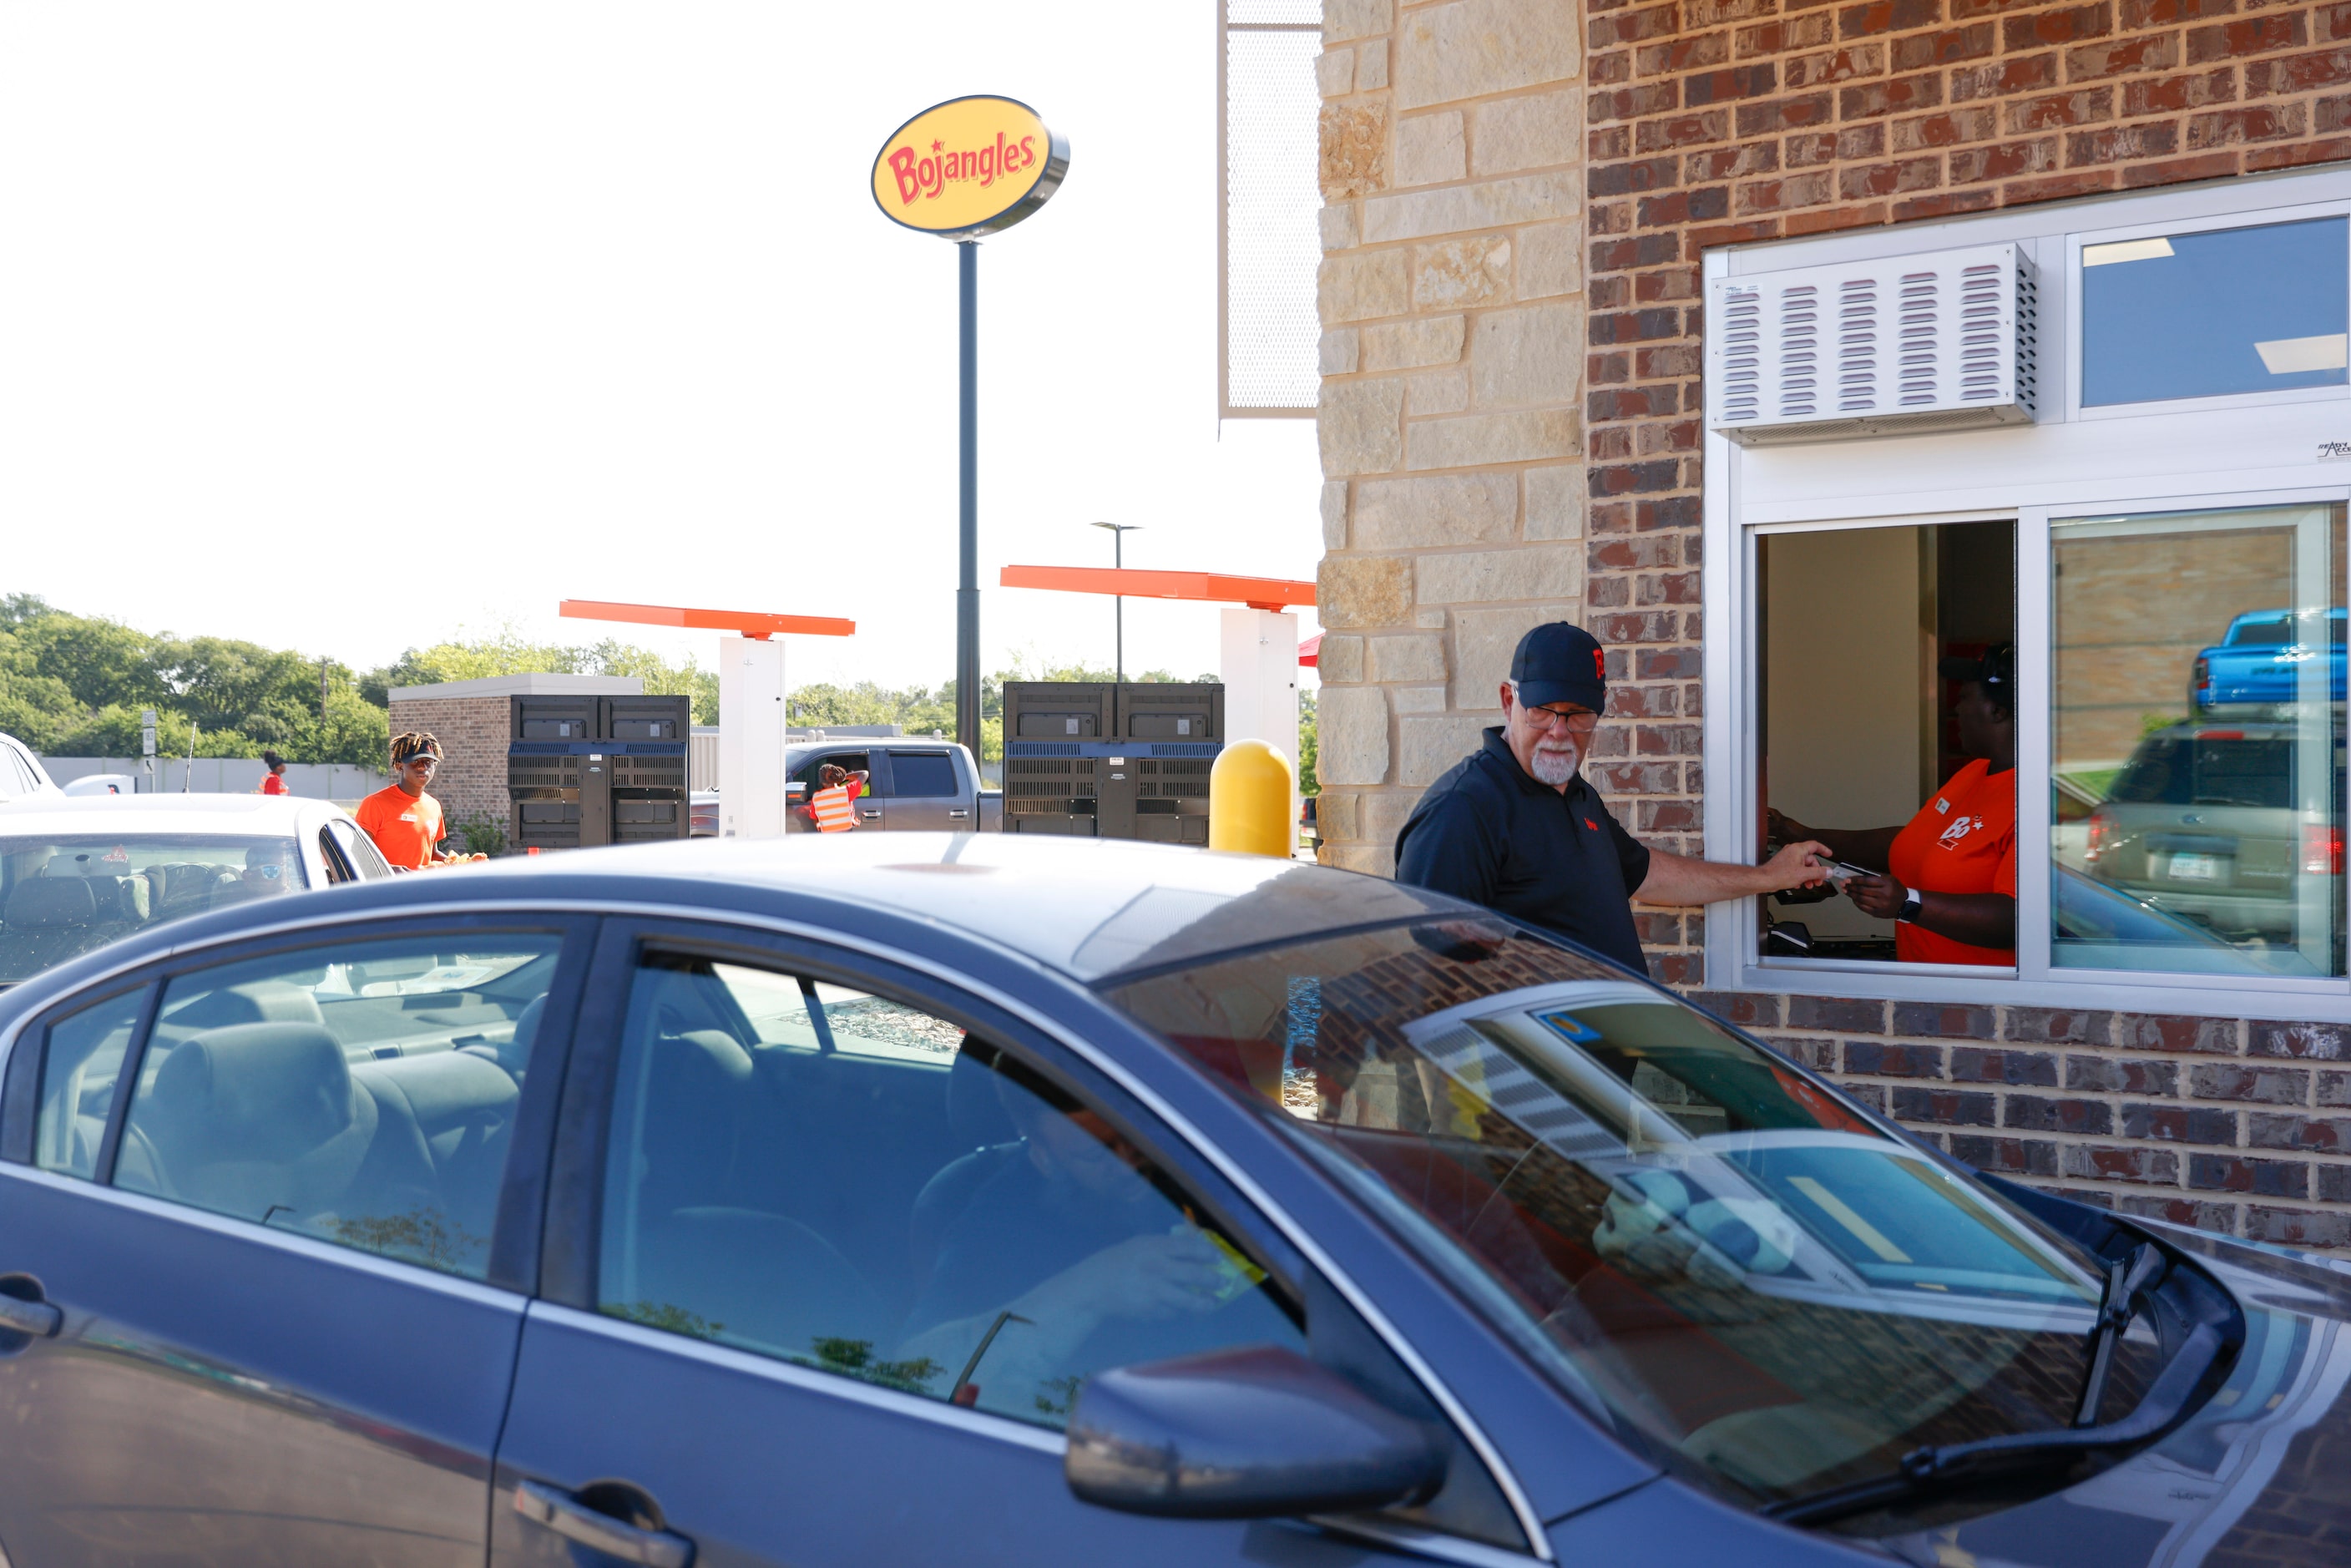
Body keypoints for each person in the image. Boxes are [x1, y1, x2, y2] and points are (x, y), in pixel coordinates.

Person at [1395, 622, 1828, 976]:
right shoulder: (1463, 811)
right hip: (1529, 1078)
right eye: (1543, 709)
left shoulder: (1577, 796)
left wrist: (1771, 876)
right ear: (1509, 701)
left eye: (1579, 714)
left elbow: (1646, 874)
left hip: (1595, 1073)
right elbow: (1431, 972)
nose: (1560, 731)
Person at [1769, 644, 2017, 966]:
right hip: (1923, 988)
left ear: (1997, 711)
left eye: (1965, 697)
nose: (1955, 708)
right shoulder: (1974, 772)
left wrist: (1908, 904)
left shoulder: (2033, 797)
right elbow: (1915, 843)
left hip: (1981, 1003)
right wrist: (1800, 834)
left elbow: (2019, 919)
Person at [356, 731, 479, 871]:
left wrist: (460, 864)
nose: (422, 767)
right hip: (385, 889)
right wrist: (392, 870)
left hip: (420, 889)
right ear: (399, 765)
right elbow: (358, 854)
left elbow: (432, 853)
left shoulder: (434, 806)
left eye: (428, 762)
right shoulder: (375, 803)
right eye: (415, 762)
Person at [808, 762, 869, 834]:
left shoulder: (816, 798)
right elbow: (864, 774)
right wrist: (843, 777)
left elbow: (814, 818)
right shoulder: (846, 791)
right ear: (836, 778)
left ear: (822, 782)